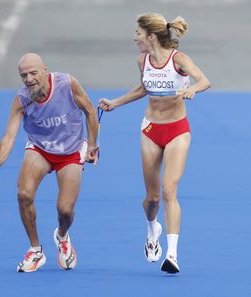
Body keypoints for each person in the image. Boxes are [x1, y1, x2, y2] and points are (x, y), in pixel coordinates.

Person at [99, 12, 211, 274]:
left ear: (151, 36)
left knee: (169, 189)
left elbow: (205, 80)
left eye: (138, 33)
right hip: (150, 130)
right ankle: (152, 228)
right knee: (152, 199)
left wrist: (193, 88)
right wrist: (115, 102)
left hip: (177, 130)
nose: (135, 38)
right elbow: (143, 89)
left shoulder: (179, 60)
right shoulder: (143, 61)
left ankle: (172, 255)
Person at [0, 53, 99, 272]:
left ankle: (62, 236)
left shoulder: (67, 83)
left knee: (65, 210)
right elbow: (9, 137)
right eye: (24, 75)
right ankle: (35, 250)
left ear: (45, 69)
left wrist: (92, 145)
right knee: (24, 195)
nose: (29, 79)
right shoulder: (21, 99)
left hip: (71, 151)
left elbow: (90, 110)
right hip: (40, 148)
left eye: (33, 73)